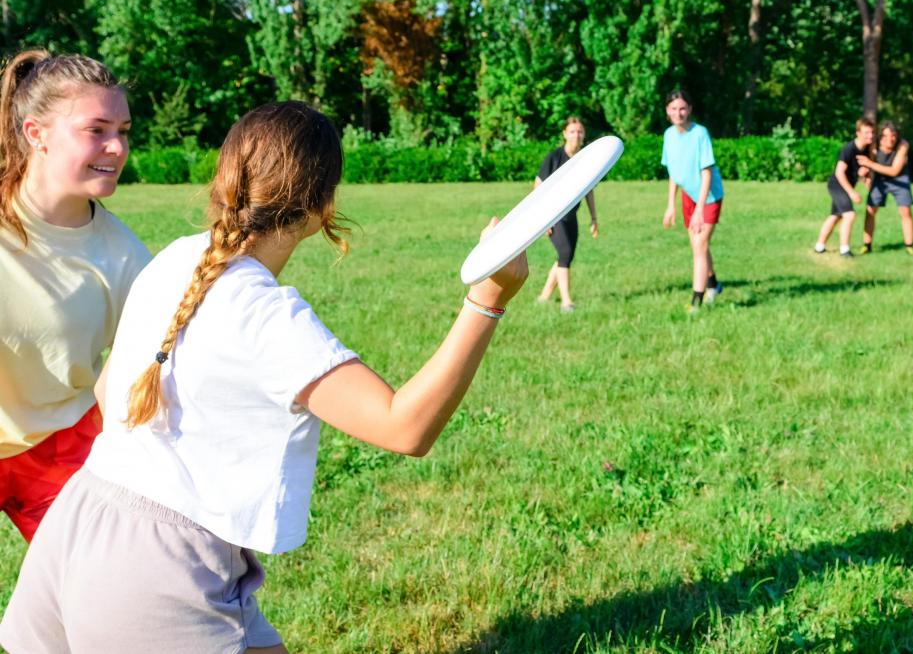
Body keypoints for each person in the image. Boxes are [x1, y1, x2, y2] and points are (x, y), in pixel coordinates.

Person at [0, 101, 528, 653]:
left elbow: (109, 391)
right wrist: (486, 300)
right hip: (158, 570)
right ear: (322, 206)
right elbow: (405, 428)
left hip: (81, 518)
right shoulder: (268, 317)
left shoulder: (175, 257)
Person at [0, 50, 150, 543]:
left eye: (123, 131)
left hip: (60, 445)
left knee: (92, 578)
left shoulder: (126, 259)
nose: (117, 147)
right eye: (96, 129)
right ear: (36, 133)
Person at [661, 89, 723, 311]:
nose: (678, 113)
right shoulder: (668, 135)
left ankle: (696, 302)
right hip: (688, 195)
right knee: (698, 246)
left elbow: (707, 173)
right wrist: (671, 205)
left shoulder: (700, 134)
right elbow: (674, 173)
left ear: (689, 110)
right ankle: (713, 284)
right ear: (667, 111)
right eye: (674, 109)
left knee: (699, 245)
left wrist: (699, 210)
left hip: (709, 197)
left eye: (682, 108)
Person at [535, 116, 599, 312]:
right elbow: (538, 186)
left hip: (571, 216)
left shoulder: (585, 159)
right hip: (554, 217)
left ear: (584, 134)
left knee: (566, 257)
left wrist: (594, 218)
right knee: (564, 253)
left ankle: (544, 296)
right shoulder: (554, 157)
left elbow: (589, 190)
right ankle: (566, 301)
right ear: (565, 134)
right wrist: (544, 219)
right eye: (572, 131)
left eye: (579, 131)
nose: (576, 135)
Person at [814, 118, 875, 257]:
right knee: (849, 215)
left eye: (872, 132)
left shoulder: (866, 149)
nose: (870, 135)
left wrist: (865, 177)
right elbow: (839, 172)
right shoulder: (849, 149)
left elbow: (861, 171)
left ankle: (819, 247)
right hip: (837, 185)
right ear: (858, 133)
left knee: (835, 216)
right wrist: (852, 192)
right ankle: (844, 250)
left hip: (845, 186)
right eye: (866, 132)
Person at [858, 121, 913, 255]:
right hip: (879, 178)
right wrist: (866, 175)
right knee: (870, 210)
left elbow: (894, 171)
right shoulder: (874, 144)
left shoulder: (903, 145)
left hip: (900, 178)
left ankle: (909, 245)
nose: (890, 139)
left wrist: (870, 164)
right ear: (880, 136)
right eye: (885, 136)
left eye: (893, 135)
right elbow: (868, 163)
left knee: (905, 211)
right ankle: (867, 245)